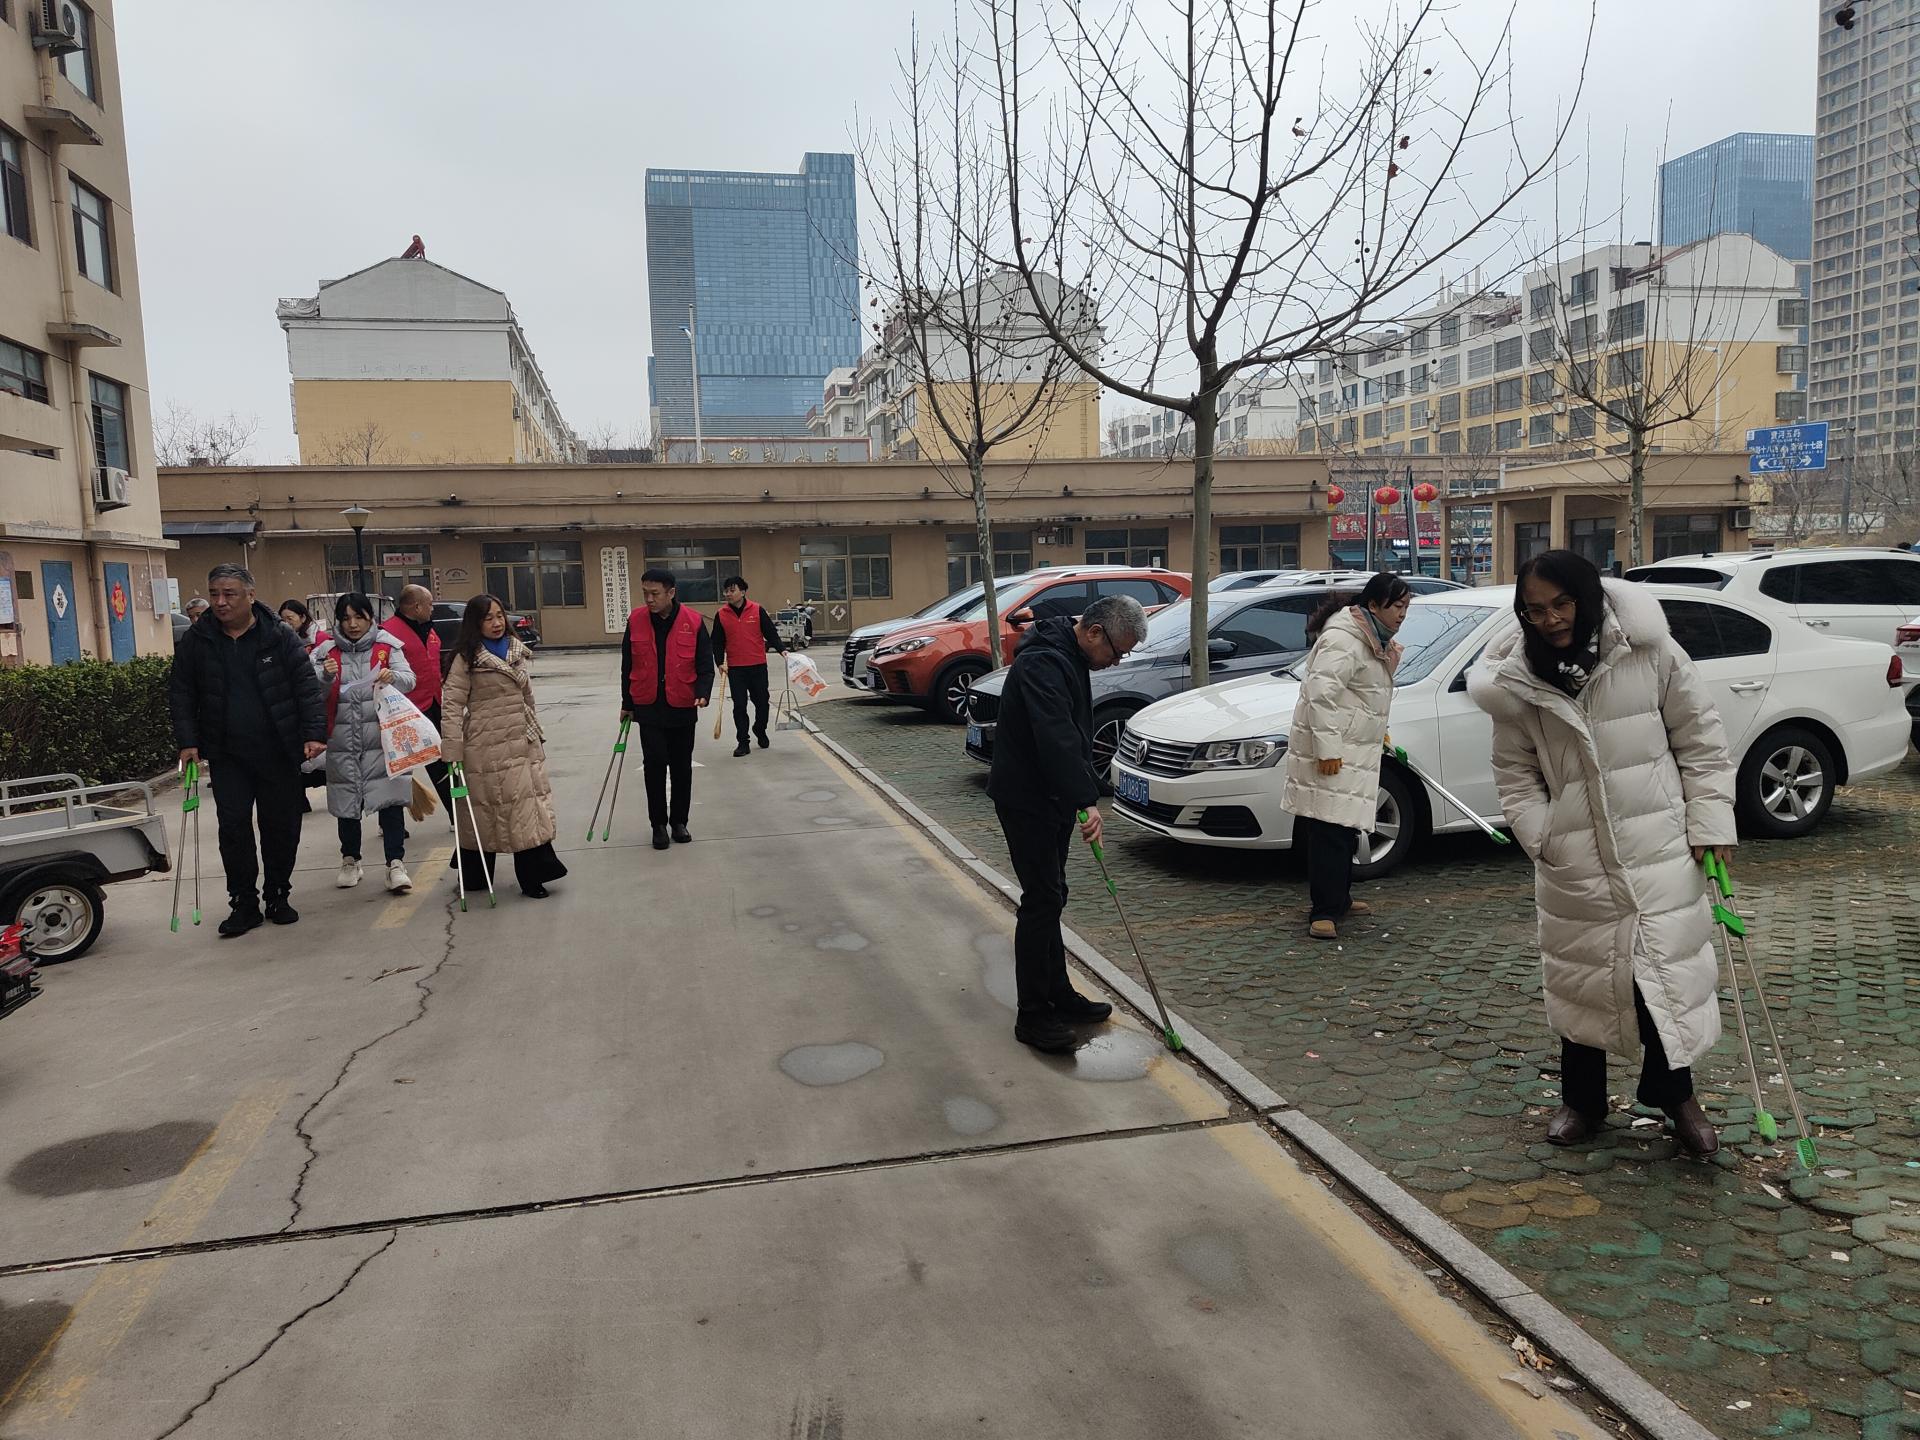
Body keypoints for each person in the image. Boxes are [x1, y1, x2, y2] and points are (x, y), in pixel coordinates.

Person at [1469, 550, 1734, 1158]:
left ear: (1586, 597)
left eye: (1561, 604)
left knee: (1664, 972)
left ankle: (1675, 1095)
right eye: (1535, 610)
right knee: (1581, 977)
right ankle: (1582, 1102)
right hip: (1575, 855)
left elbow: (1701, 740)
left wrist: (1710, 822)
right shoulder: (1517, 678)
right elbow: (1514, 772)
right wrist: (1543, 836)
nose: (1551, 620)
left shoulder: (1650, 651)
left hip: (1657, 843)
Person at [987, 594, 1148, 1054]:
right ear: (1095, 632)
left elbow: (1073, 733)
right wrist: (1085, 800)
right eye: (1117, 652)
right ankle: (1033, 1014)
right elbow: (1055, 734)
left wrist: (1076, 791)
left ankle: (1058, 992)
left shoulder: (1068, 652)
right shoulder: (1043, 662)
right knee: (1041, 900)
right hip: (1027, 798)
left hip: (1051, 794)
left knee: (1054, 894)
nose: (1116, 661)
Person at [167, 563, 327, 936]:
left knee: (280, 826)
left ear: (250, 596)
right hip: (227, 754)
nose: (220, 602)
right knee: (234, 826)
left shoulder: (279, 635)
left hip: (277, 749)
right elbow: (181, 691)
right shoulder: (198, 639)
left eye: (229, 594)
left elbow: (305, 686)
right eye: (214, 594)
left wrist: (313, 733)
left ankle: (278, 894)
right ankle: (243, 902)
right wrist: (188, 741)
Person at [1281, 572, 1411, 940]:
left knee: (1347, 824)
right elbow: (1321, 695)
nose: (1402, 613)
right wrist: (1328, 749)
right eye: (1396, 605)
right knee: (1329, 830)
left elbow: (1363, 696)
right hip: (1334, 752)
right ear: (1373, 605)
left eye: (1406, 606)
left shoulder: (1371, 638)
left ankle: (1340, 898)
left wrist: (1378, 732)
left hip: (1355, 748)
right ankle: (1323, 911)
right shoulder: (1344, 639)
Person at [441, 594, 568, 899]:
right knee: (484, 810)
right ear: (475, 623)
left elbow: (527, 696)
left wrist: (534, 731)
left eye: (499, 616)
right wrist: (452, 751)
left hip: (522, 740)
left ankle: (532, 877)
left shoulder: (515, 649)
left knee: (527, 808)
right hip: (485, 745)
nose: (497, 623)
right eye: (488, 618)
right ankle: (475, 873)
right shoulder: (466, 658)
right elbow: (452, 706)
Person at [311, 593, 416, 893]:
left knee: (390, 801)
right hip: (342, 740)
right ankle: (350, 859)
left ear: (371, 618)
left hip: (383, 740)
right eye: (346, 618)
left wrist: (393, 676)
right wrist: (324, 677)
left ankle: (395, 863)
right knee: (346, 802)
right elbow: (310, 693)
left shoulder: (388, 646)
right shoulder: (326, 651)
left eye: (359, 617)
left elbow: (410, 680)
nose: (353, 624)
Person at [620, 568, 715, 850]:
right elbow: (628, 665)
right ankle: (658, 825)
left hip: (682, 704)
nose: (649, 599)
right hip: (648, 705)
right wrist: (627, 703)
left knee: (682, 767)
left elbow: (705, 665)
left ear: (671, 592)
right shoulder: (636, 620)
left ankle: (679, 822)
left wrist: (702, 693)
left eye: (655, 594)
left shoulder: (693, 621)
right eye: (645, 593)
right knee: (654, 766)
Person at [710, 574, 786, 757]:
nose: (728, 594)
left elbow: (770, 633)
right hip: (736, 668)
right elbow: (717, 642)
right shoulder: (721, 615)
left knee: (762, 703)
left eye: (732, 590)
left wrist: (782, 650)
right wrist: (719, 662)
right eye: (726, 591)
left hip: (757, 666)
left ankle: (760, 729)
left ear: (743, 592)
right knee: (739, 706)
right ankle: (743, 742)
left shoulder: (757, 610)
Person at [387, 584, 448, 804]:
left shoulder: (429, 630)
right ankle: (395, 815)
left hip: (434, 705)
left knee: (444, 763)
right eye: (429, 604)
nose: (432, 609)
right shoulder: (388, 633)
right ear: (416, 607)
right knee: (401, 770)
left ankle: (457, 813)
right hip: (404, 711)